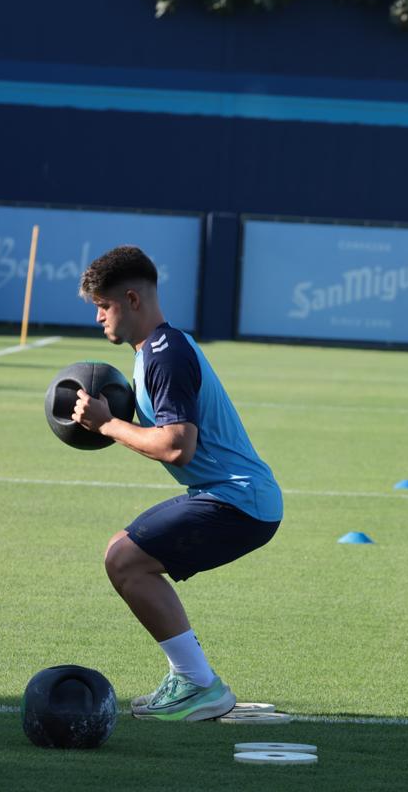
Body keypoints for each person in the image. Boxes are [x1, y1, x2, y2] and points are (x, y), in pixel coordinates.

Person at [72, 245, 283, 721]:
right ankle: (191, 678)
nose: (99, 318)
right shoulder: (156, 352)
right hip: (230, 496)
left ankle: (197, 684)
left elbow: (175, 446)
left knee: (124, 559)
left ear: (131, 299)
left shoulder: (165, 355)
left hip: (238, 500)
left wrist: (106, 424)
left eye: (103, 306)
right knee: (125, 556)